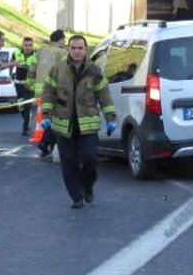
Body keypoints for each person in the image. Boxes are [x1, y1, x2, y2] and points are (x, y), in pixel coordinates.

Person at [42, 35, 117, 208]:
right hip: (63, 123)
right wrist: (45, 114)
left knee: (90, 158)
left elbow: (104, 95)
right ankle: (76, 195)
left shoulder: (94, 70)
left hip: (87, 125)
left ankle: (88, 186)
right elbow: (48, 92)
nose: (76, 51)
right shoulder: (58, 69)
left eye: (80, 48)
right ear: (68, 49)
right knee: (68, 162)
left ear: (85, 49)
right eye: (73, 48)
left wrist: (110, 118)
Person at [26, 29, 67, 158]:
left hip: (40, 92)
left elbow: (32, 69)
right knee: (57, 119)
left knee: (51, 118)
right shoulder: (62, 52)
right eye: (64, 39)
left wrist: (29, 85)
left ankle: (45, 142)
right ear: (61, 39)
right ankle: (46, 143)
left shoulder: (41, 51)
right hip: (55, 91)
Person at [11, 37, 37, 135]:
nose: (28, 47)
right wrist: (10, 74)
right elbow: (12, 63)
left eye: (30, 45)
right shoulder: (16, 52)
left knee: (27, 105)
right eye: (26, 45)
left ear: (33, 46)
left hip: (30, 85)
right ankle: (27, 118)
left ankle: (25, 128)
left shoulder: (36, 55)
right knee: (21, 106)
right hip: (18, 84)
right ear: (22, 45)